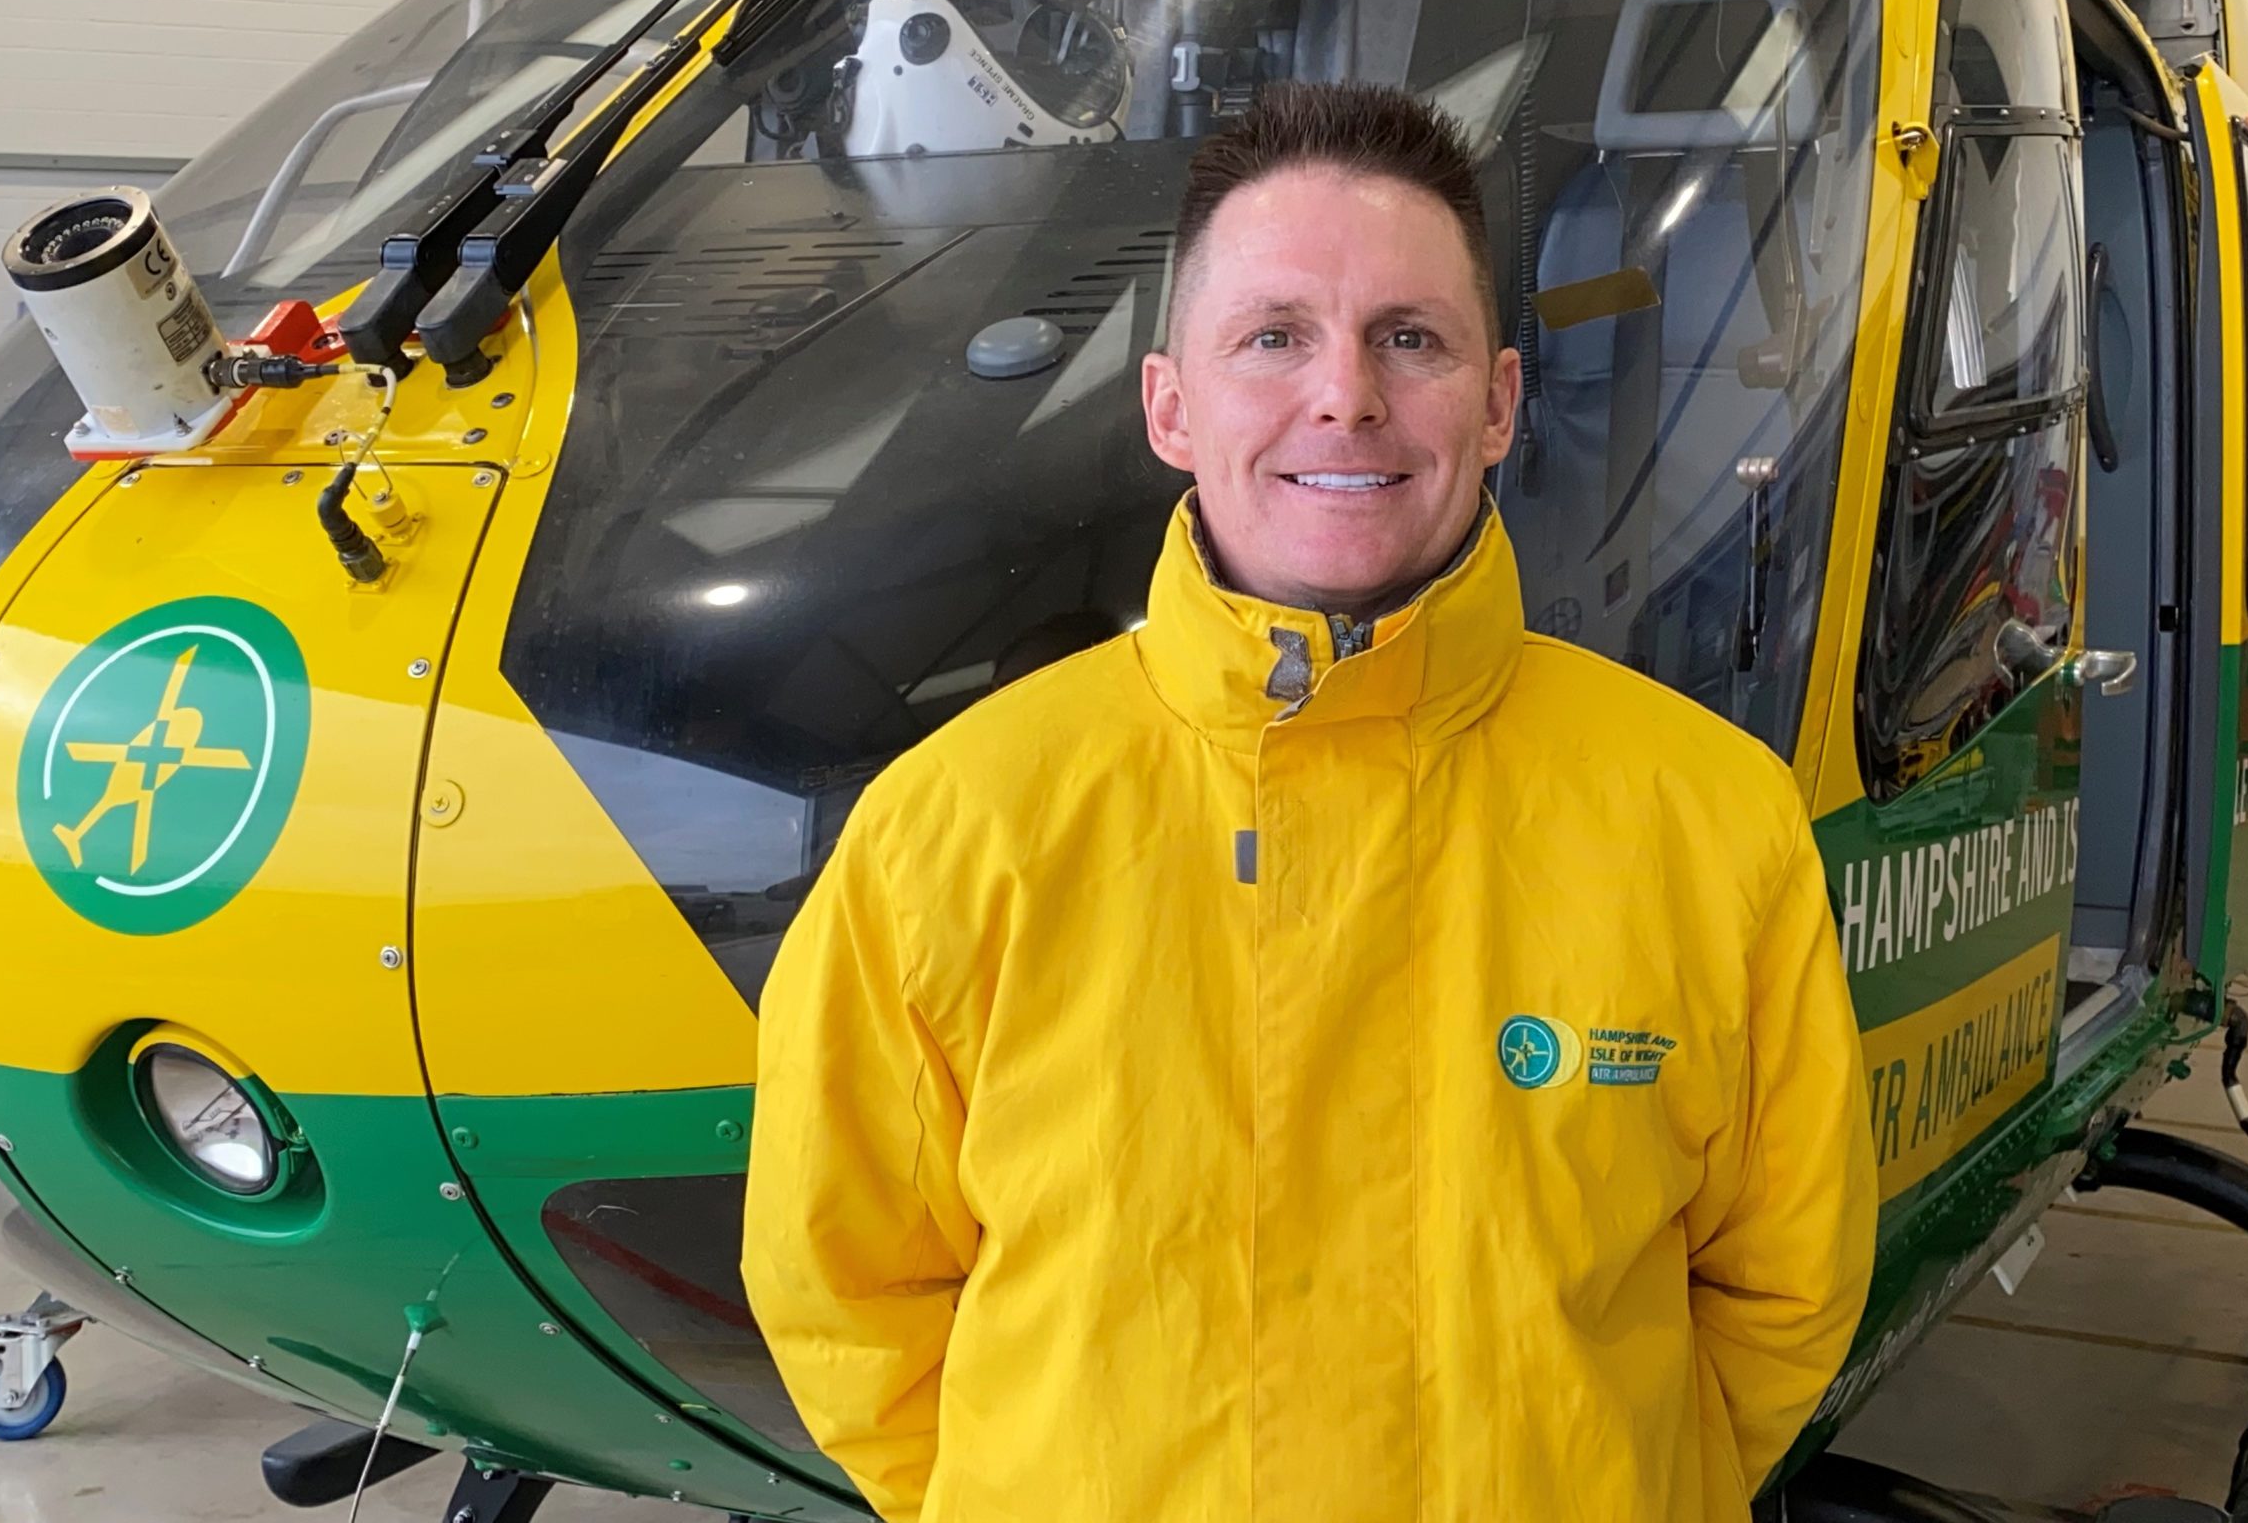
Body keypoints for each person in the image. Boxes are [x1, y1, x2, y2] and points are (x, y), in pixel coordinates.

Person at [743, 80, 1876, 1522]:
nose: (1345, 393)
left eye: (1411, 338)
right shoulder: (956, 834)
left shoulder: (1711, 821)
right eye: (1274, 336)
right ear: (1171, 404)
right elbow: (850, 1299)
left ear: (1500, 406)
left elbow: (1783, 1290)